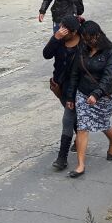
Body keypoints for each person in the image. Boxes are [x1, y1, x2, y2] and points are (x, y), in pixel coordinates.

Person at [63, 21, 112, 179]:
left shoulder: (110, 51)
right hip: (83, 94)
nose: (89, 42)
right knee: (82, 127)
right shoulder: (82, 49)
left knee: (103, 125)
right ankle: (80, 166)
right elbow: (75, 74)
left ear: (98, 35)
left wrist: (96, 94)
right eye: (85, 39)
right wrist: (70, 96)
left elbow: (108, 77)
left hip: (103, 96)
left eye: (91, 38)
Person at [42, 17, 82, 171]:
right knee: (73, 116)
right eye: (61, 28)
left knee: (67, 118)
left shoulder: (83, 44)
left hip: (78, 87)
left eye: (65, 31)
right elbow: (46, 54)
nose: (62, 32)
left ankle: (62, 158)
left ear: (74, 32)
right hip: (60, 86)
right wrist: (55, 38)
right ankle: (80, 138)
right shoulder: (59, 39)